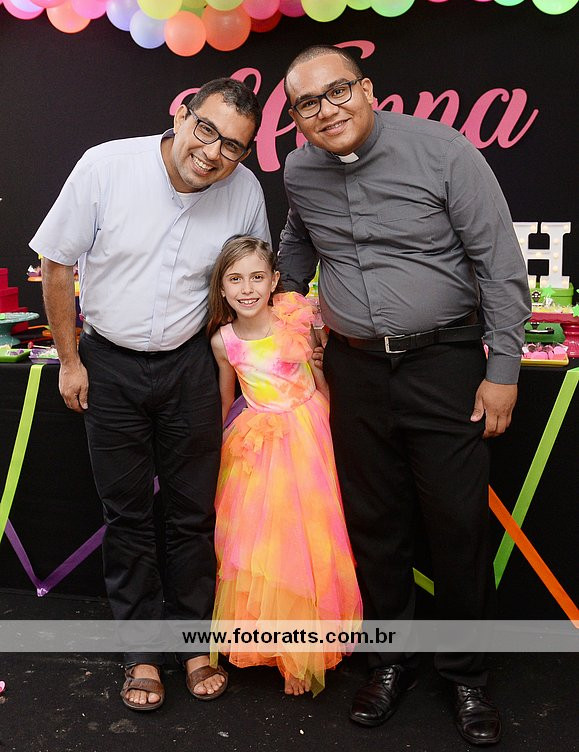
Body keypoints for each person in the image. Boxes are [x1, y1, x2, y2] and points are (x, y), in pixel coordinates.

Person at [278, 45, 531, 744]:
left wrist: (504, 369)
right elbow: (297, 240)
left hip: (444, 364)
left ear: (366, 89)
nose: (326, 111)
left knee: (455, 526)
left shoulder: (444, 151)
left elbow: (499, 264)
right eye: (307, 103)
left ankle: (466, 676)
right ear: (294, 117)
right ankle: (388, 662)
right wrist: (283, 305)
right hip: (354, 373)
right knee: (374, 526)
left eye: (337, 92)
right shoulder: (299, 171)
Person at [29, 79, 271, 711]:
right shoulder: (106, 166)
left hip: (192, 366)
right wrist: (70, 360)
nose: (213, 153)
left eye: (234, 146)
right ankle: (141, 652)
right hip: (108, 363)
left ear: (246, 153)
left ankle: (194, 643)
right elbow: (56, 263)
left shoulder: (245, 192)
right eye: (207, 130)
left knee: (193, 513)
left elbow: (249, 281)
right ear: (182, 115)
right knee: (128, 514)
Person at [206, 236, 362, 696]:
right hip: (256, 446)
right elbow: (225, 400)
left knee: (310, 538)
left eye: (257, 277)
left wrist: (336, 426)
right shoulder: (223, 341)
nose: (247, 288)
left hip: (309, 435)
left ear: (274, 279)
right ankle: (273, 646)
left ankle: (304, 654)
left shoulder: (296, 318)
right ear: (222, 287)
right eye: (236, 279)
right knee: (263, 546)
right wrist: (215, 453)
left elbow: (320, 379)